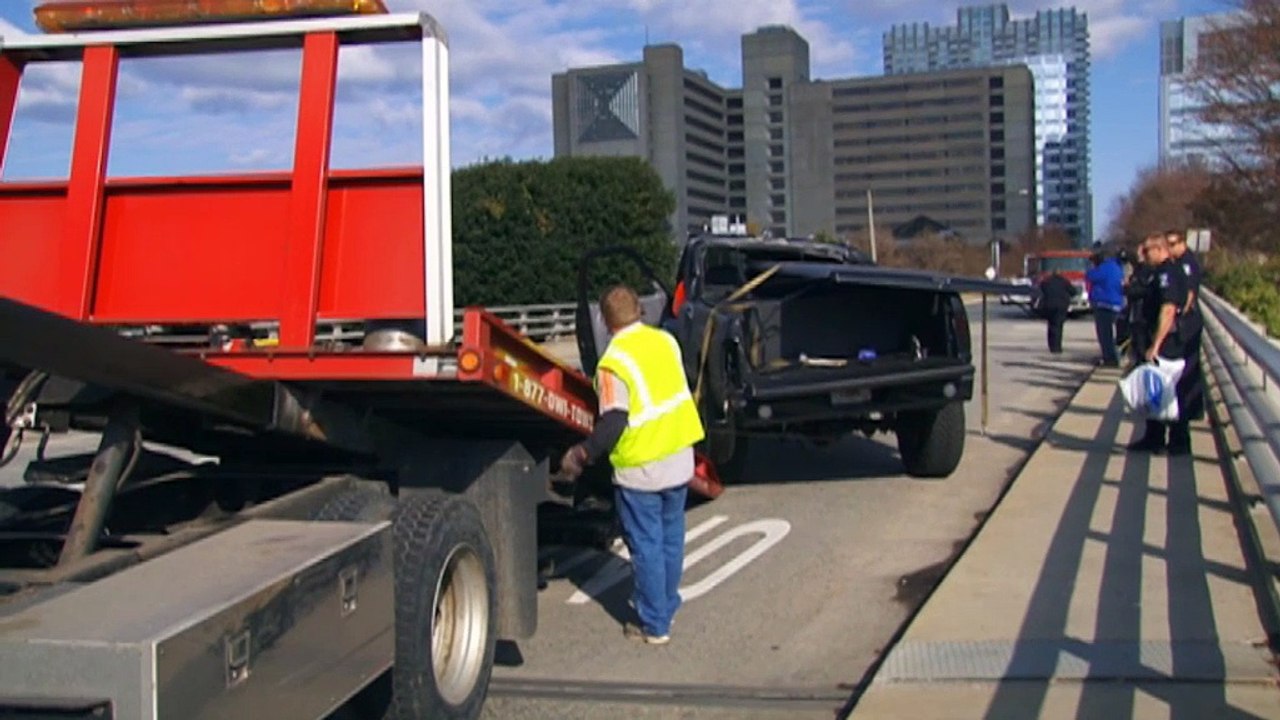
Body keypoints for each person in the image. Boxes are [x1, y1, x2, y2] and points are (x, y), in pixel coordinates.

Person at [559, 285, 705, 645]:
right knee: (671, 538)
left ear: (605, 323)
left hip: (642, 467)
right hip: (678, 456)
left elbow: (613, 422)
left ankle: (655, 624)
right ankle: (667, 603)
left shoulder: (614, 361)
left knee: (646, 545)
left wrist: (582, 454)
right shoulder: (666, 342)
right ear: (640, 310)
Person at [1126, 233, 1190, 455]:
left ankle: (1178, 441)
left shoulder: (1167, 273)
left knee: (1168, 390)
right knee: (1155, 390)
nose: (1144, 255)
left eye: (1148, 250)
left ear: (1160, 249)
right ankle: (1154, 437)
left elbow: (1168, 308)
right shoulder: (1158, 273)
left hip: (1167, 342)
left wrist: (1156, 344)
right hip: (1156, 337)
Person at [1165, 228, 1205, 447]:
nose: (1169, 249)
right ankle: (1190, 410)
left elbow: (1189, 294)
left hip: (1187, 324)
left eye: (1172, 244)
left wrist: (1179, 313)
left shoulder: (1186, 263)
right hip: (1187, 323)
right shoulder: (1181, 262)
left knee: (1185, 372)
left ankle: (1187, 415)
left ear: (1181, 243)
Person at [1085, 248, 1125, 367]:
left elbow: (1089, 276)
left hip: (1104, 303)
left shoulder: (1104, 268)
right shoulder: (1117, 267)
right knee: (1111, 333)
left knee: (1105, 334)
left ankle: (1109, 358)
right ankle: (1111, 356)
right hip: (1116, 303)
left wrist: (1092, 267)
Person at [1123, 242, 1153, 367]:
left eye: (1141, 251)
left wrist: (1128, 288)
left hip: (1143, 315)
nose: (1138, 254)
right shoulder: (1138, 269)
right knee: (1136, 344)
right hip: (1135, 313)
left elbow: (1143, 289)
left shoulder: (1147, 270)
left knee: (1142, 346)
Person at [1036, 269, 1077, 354]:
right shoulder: (1064, 282)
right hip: (1061, 306)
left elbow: (1042, 289)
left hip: (1049, 306)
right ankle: (1057, 347)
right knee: (1058, 326)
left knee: (1051, 326)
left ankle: (1052, 346)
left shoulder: (1046, 282)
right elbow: (1073, 292)